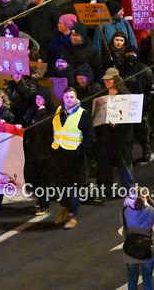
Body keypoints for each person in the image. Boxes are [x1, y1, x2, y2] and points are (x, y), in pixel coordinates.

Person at [51, 87, 94, 230]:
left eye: (71, 97)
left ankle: (72, 216)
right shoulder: (58, 112)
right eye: (66, 97)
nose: (69, 100)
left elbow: (89, 138)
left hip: (75, 158)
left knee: (73, 189)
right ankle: (63, 211)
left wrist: (79, 152)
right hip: (60, 156)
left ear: (76, 98)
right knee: (60, 187)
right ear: (62, 98)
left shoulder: (83, 115)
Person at [92, 68, 136, 194]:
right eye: (105, 80)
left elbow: (130, 117)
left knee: (123, 163)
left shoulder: (125, 95)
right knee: (105, 163)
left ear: (116, 79)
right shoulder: (105, 94)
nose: (107, 82)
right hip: (107, 135)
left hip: (122, 136)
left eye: (109, 79)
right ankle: (105, 189)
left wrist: (118, 124)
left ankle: (129, 189)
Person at [122, 187, 154, 290]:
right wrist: (150, 201)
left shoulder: (125, 211)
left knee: (132, 280)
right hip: (147, 250)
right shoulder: (149, 210)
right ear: (145, 198)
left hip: (130, 250)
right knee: (147, 281)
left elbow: (123, 224)